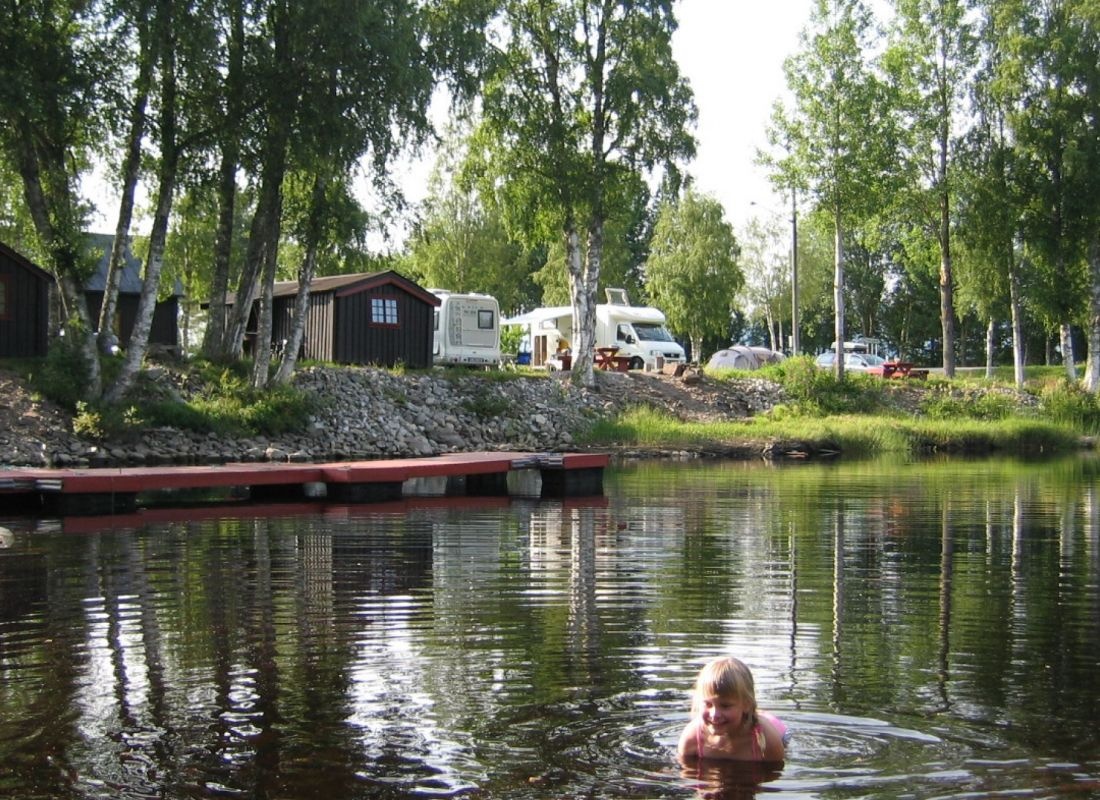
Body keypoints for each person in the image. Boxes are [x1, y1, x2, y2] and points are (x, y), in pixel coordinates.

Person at [677, 657, 788, 763]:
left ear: (746, 705)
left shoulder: (767, 740)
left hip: (778, 731)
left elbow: (774, 771)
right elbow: (684, 773)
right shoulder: (692, 737)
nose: (714, 714)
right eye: (708, 704)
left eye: (725, 706)